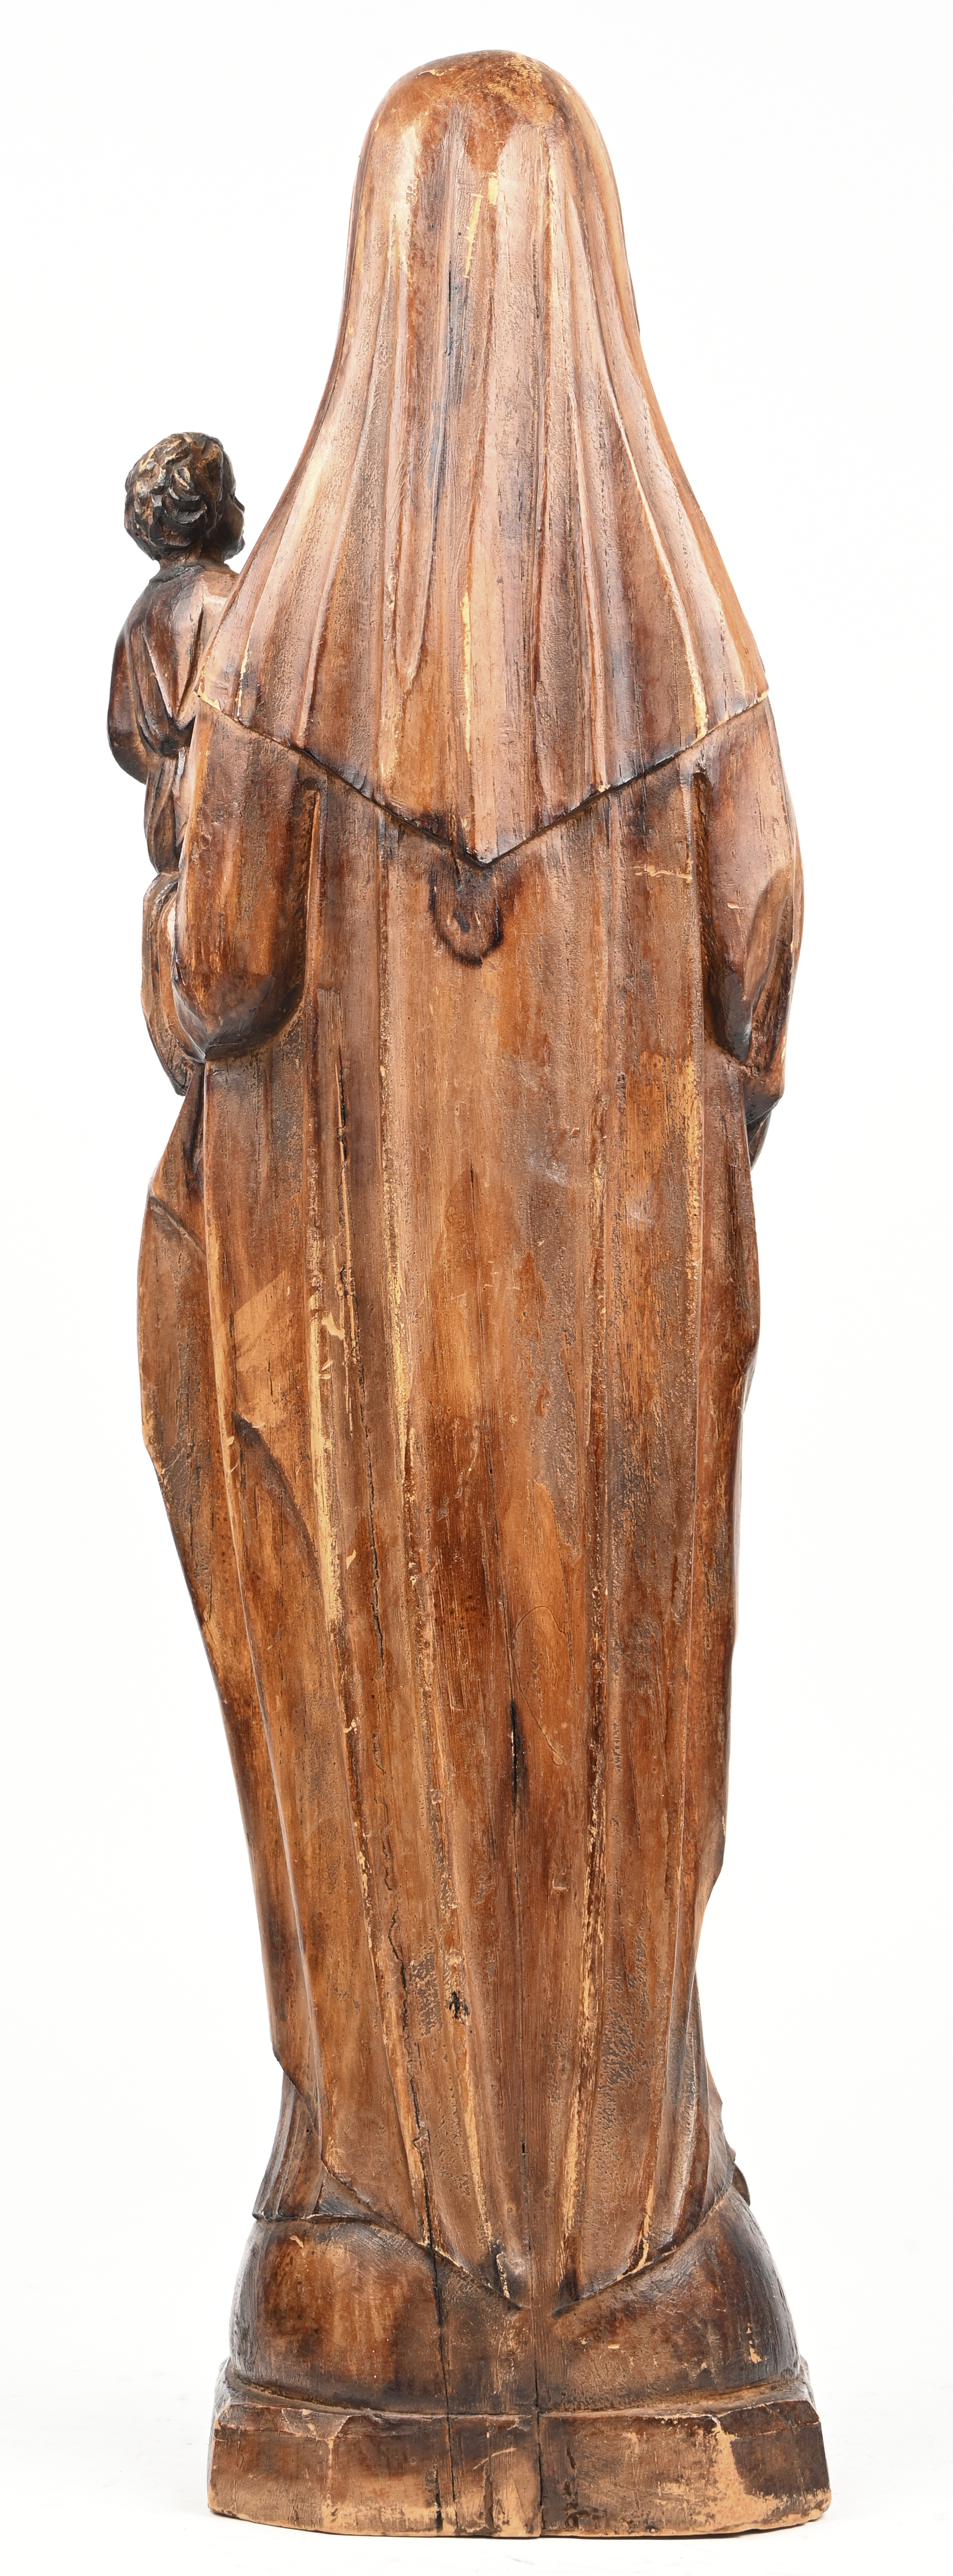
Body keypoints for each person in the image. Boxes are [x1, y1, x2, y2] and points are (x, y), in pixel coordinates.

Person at [125, 59, 822, 2519]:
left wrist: (183, 810)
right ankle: (633, 2261)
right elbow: (757, 976)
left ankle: (392, 2253)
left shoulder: (287, 657)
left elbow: (216, 990)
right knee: (611, 1757)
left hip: (357, 1358)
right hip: (613, 1352)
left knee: (380, 1733)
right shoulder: (684, 640)